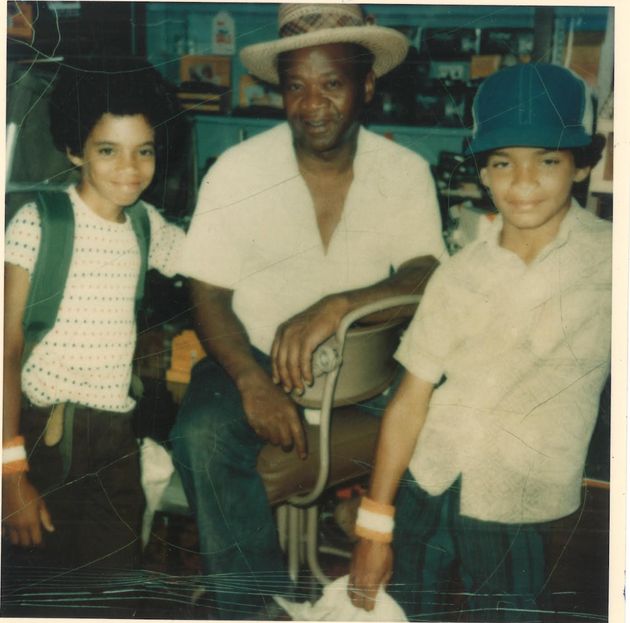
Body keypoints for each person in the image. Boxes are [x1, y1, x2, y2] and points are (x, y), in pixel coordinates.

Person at [170, 3, 447, 619]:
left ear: (366, 85)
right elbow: (207, 292)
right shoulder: (238, 171)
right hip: (255, 357)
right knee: (200, 435)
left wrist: (340, 305)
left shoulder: (404, 172)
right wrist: (249, 379)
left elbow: (427, 272)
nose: (312, 103)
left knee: (459, 418)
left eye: (332, 83)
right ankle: (256, 608)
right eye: (296, 85)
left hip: (371, 378)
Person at [348, 63, 611, 622]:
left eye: (548, 160)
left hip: (522, 507)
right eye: (502, 162)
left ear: (584, 162)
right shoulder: (459, 272)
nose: (522, 183)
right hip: (430, 483)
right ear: (482, 172)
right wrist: (375, 526)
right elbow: (409, 400)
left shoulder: (613, 261)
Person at [2, 62, 184, 610]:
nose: (130, 168)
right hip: (40, 437)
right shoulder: (40, 223)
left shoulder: (148, 225)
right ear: (74, 150)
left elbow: (214, 264)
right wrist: (11, 473)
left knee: (111, 589)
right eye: (108, 150)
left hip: (114, 441)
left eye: (144, 150)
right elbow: (6, 350)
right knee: (35, 594)